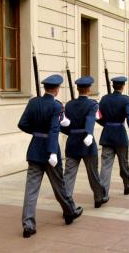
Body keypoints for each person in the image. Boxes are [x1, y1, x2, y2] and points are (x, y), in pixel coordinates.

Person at [18, 74, 83, 238]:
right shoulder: (56, 106)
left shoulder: (33, 102)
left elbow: (22, 124)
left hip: (34, 150)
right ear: (56, 89)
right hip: (49, 152)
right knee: (59, 186)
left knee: (31, 190)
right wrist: (53, 152)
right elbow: (54, 130)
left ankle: (28, 225)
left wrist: (37, 133)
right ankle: (69, 212)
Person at [61, 76, 108, 208]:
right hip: (87, 145)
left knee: (69, 176)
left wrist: (72, 133)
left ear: (77, 89)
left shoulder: (69, 105)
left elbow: (64, 126)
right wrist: (88, 134)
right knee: (93, 174)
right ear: (89, 89)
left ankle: (67, 203)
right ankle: (99, 197)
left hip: (72, 143)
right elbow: (90, 119)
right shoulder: (92, 104)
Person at [97, 76, 129, 196]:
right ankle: (127, 185)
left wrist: (106, 124)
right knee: (123, 163)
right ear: (123, 86)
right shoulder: (125, 100)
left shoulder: (104, 99)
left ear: (113, 86)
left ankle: (102, 193)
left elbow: (98, 116)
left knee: (105, 167)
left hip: (107, 136)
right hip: (120, 135)